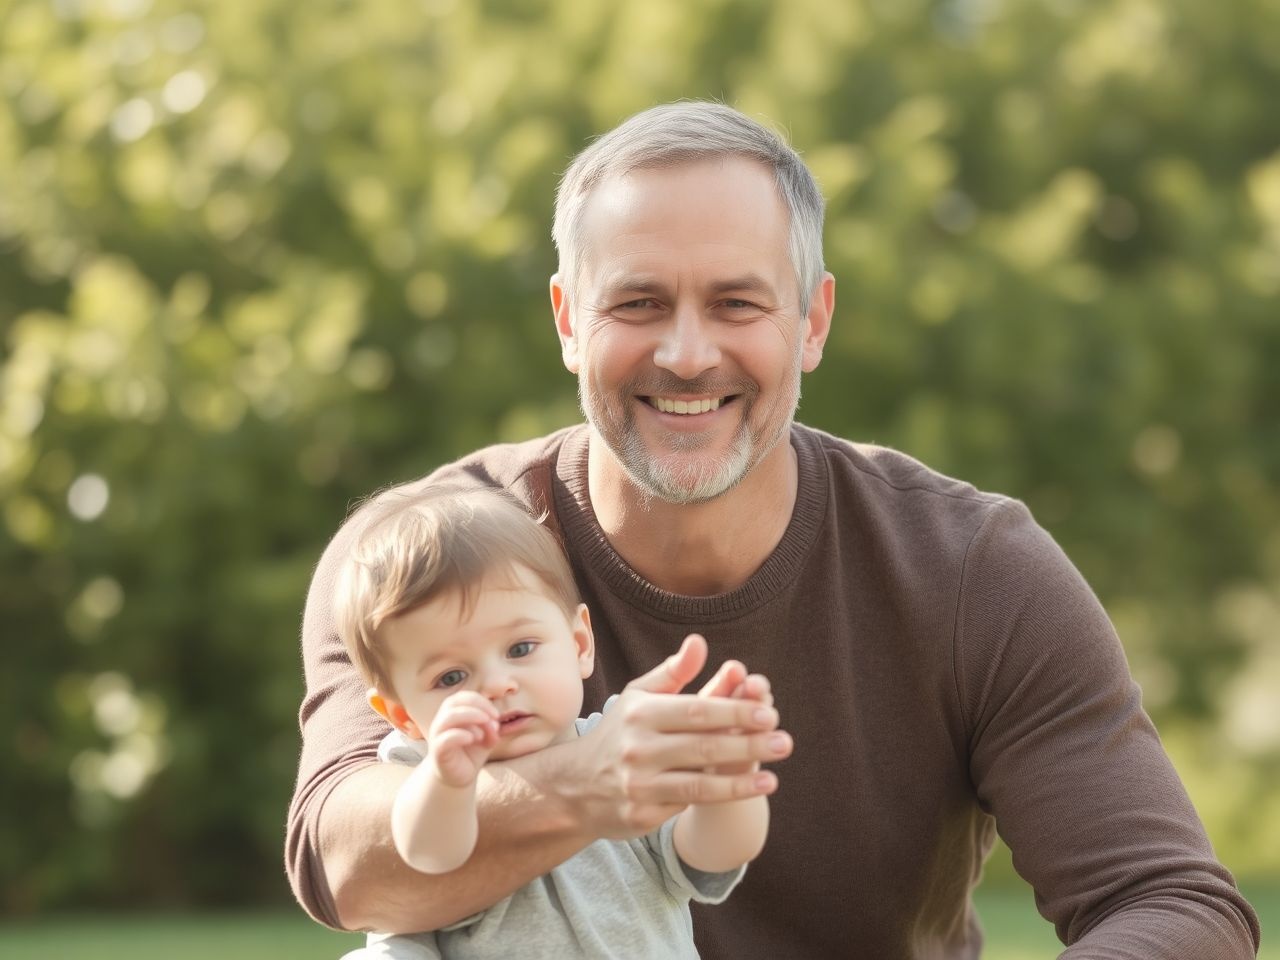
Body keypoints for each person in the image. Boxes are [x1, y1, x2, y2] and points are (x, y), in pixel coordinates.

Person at [288, 102, 1261, 959]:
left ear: (811, 321)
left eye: (734, 302)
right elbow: (347, 868)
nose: (683, 351)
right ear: (567, 320)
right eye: (636, 302)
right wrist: (580, 783)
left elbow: (1174, 905)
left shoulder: (974, 573)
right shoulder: (414, 562)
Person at [328, 485, 770, 958]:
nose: (496, 685)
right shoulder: (422, 773)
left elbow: (710, 861)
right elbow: (428, 858)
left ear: (579, 644)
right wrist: (447, 784)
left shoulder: (621, 746)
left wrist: (727, 783)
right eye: (451, 676)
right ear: (402, 715)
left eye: (520, 649)